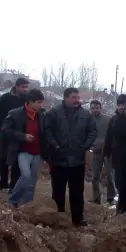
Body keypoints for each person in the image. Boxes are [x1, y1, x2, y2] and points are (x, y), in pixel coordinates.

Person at [44, 87, 97, 227]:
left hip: (77, 160)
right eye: (74, 97)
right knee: (58, 190)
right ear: (66, 98)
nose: (77, 100)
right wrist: (55, 146)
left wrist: (85, 146)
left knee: (77, 191)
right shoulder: (53, 112)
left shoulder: (86, 114)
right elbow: (47, 131)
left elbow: (92, 131)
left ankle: (78, 219)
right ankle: (58, 217)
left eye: (78, 97)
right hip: (58, 159)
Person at [1, 89, 47, 208]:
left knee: (32, 181)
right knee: (25, 175)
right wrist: (23, 136)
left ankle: (27, 205)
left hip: (36, 152)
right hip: (22, 151)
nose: (40, 105)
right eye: (38, 102)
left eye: (41, 102)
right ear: (30, 102)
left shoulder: (41, 115)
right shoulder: (15, 113)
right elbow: (5, 130)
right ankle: (12, 201)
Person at [0, 77, 29, 191]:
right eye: (23, 87)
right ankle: (3, 183)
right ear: (17, 86)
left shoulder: (26, 100)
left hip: (19, 134)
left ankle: (13, 185)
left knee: (16, 160)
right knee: (3, 157)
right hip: (5, 132)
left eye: (26, 87)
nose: (25, 89)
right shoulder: (5, 98)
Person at [103, 94, 126, 209]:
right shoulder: (114, 119)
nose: (120, 107)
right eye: (119, 104)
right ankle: (125, 204)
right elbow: (109, 136)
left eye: (123, 104)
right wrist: (106, 152)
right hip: (117, 155)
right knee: (118, 182)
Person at [89, 100, 115, 205]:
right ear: (91, 109)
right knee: (95, 176)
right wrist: (90, 146)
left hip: (108, 151)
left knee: (110, 175)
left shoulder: (108, 119)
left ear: (101, 108)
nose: (95, 110)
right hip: (95, 151)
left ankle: (111, 198)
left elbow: (113, 134)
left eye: (97, 108)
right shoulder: (88, 120)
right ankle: (96, 198)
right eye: (93, 108)